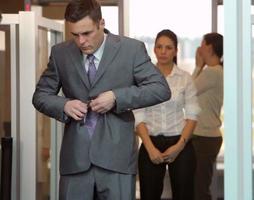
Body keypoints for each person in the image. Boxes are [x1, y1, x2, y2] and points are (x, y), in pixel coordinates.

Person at [32, 0, 171, 199]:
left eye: (86, 33)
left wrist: (117, 97)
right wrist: (64, 104)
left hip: (117, 160)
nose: (80, 41)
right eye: (75, 35)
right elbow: (40, 96)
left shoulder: (131, 50)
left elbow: (160, 89)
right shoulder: (60, 53)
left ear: (101, 23)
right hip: (75, 161)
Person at [134, 29, 200, 200]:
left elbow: (192, 116)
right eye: (159, 47)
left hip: (180, 141)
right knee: (148, 195)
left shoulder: (185, 78)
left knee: (184, 195)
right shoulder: (143, 80)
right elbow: (138, 116)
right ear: (154, 49)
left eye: (168, 48)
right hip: (150, 143)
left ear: (176, 51)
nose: (163, 51)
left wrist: (178, 147)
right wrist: (149, 148)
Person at [192, 32, 224, 200]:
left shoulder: (212, 72)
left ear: (209, 47)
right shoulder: (215, 71)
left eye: (202, 44)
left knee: (200, 188)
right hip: (206, 137)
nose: (199, 48)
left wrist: (198, 66)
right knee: (200, 184)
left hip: (205, 137)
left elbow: (187, 92)